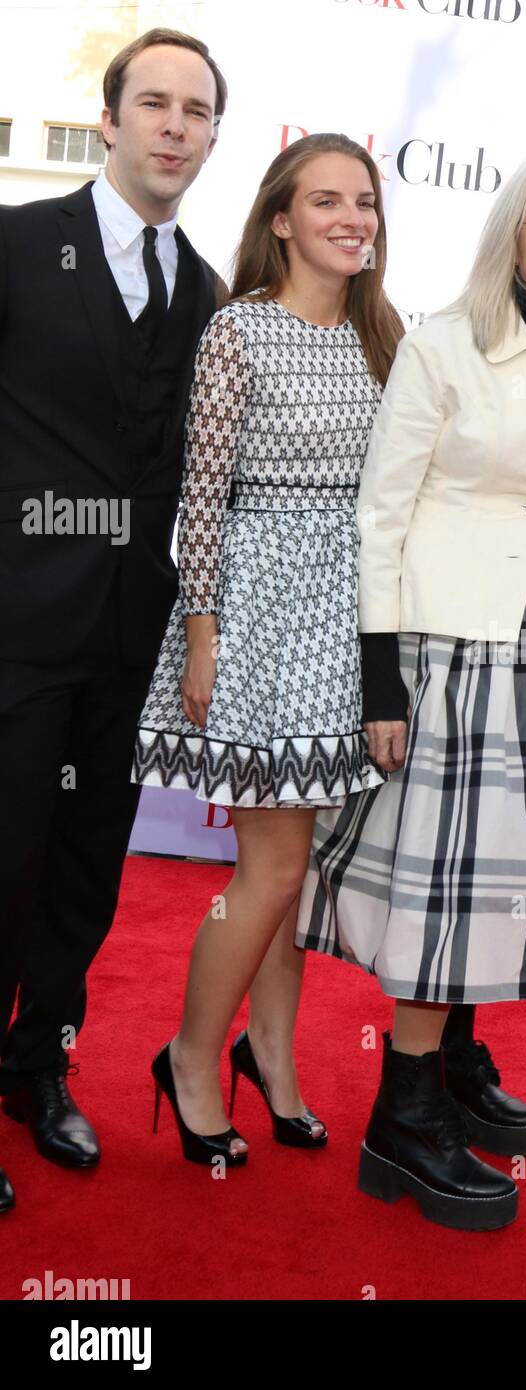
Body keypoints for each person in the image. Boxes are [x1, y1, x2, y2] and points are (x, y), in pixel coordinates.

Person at [295, 148, 526, 1230]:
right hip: (442, 642)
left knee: (504, 868)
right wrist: (379, 677)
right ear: (511, 236)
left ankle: (453, 1063)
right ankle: (400, 1114)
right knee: (447, 880)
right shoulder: (443, 343)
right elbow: (378, 515)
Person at [133, 133, 399, 1165]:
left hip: (347, 615)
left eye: (364, 201)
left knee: (294, 869)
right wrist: (203, 633)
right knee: (274, 862)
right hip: (255, 613)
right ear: (280, 220)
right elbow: (201, 494)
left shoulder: (386, 335)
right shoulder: (237, 330)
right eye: (325, 200)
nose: (350, 218)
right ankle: (192, 1058)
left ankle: (272, 1058)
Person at [0, 29, 228, 1207]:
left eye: (196, 111)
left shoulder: (204, 294)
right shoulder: (19, 245)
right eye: (155, 103)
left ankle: (37, 1065)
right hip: (16, 628)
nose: (174, 126)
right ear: (110, 123)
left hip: (128, 639)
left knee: (86, 869)